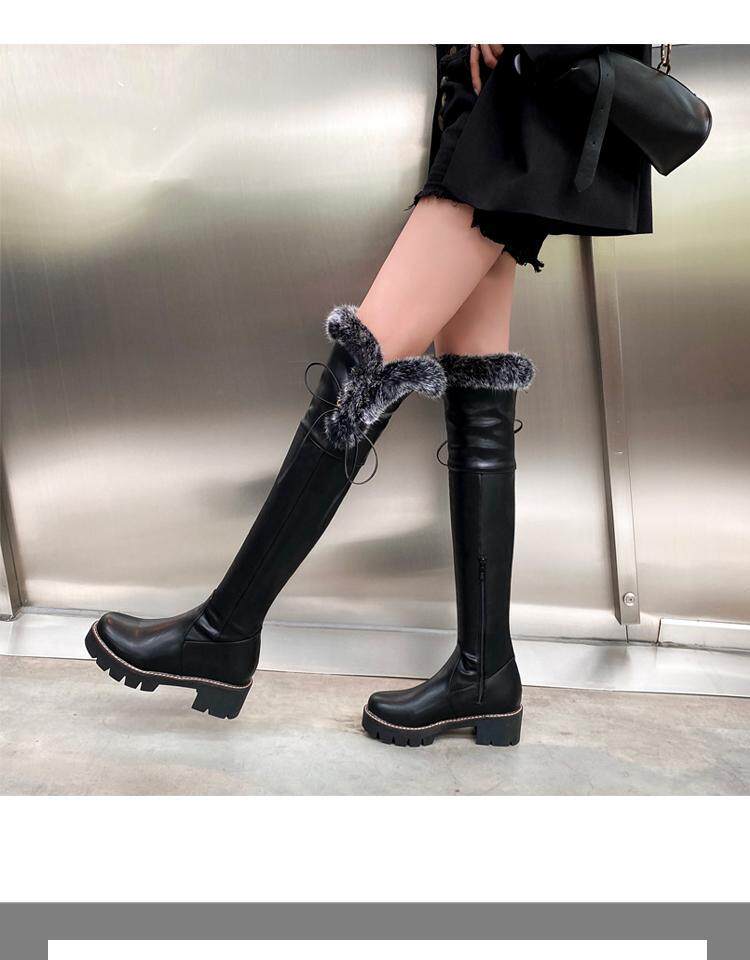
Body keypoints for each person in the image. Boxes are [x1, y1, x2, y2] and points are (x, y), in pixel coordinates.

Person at [85, 44, 653, 747]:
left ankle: (223, 631)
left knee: (367, 361)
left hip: (523, 83)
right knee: (476, 378)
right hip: (491, 92)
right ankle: (484, 671)